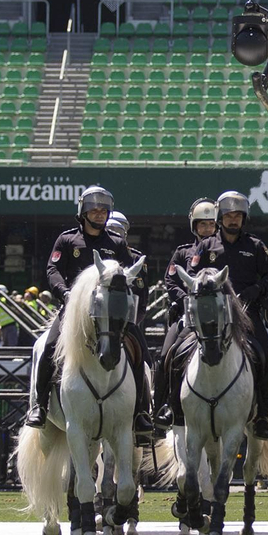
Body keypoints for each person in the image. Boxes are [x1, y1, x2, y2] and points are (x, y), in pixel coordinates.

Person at [27, 185, 155, 440]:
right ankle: (39, 406)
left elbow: (128, 275)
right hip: (74, 312)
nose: (99, 214)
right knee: (50, 347)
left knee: (140, 352)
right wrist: (65, 293)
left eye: (103, 210)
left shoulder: (117, 243)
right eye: (94, 210)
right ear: (83, 212)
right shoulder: (67, 240)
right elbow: (53, 270)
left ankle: (141, 412)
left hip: (110, 313)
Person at [187, 189, 268, 438]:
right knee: (174, 351)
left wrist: (254, 291)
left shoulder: (256, 246)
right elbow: (191, 275)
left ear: (244, 218)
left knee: (264, 355)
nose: (233, 220)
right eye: (228, 215)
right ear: (220, 217)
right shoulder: (206, 246)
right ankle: (171, 408)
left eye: (238, 215)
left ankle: (261, 415)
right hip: (210, 317)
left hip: (247, 315)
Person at [155, 198, 219, 428]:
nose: (207, 229)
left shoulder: (224, 250)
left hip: (220, 318)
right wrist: (187, 300)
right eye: (202, 225)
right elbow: (170, 281)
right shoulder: (183, 252)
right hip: (188, 317)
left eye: (211, 224)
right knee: (166, 356)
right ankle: (163, 407)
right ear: (194, 226)